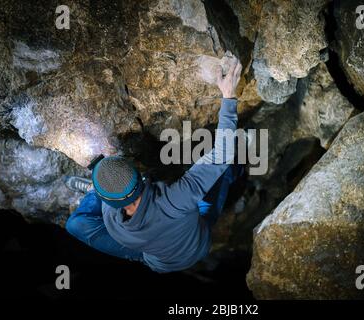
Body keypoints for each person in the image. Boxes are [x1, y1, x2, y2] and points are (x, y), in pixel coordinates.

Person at [65, 57, 243, 273]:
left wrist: (103, 185)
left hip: (157, 259)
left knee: (75, 225)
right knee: (223, 169)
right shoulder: (178, 198)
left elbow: (110, 202)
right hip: (197, 243)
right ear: (140, 176)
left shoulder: (114, 223)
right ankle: (236, 170)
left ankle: (96, 189)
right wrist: (228, 95)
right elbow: (222, 154)